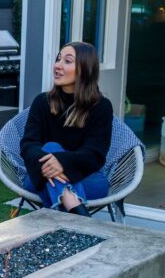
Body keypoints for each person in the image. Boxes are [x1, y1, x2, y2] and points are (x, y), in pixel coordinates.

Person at [20, 41, 113, 216]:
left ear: (85, 68)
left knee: (52, 151)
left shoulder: (101, 106)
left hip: (88, 178)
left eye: (67, 61)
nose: (58, 65)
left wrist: (61, 162)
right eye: (58, 59)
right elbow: (28, 145)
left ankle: (67, 217)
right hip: (40, 175)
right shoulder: (42, 102)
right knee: (51, 148)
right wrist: (51, 162)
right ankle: (78, 215)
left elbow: (94, 154)